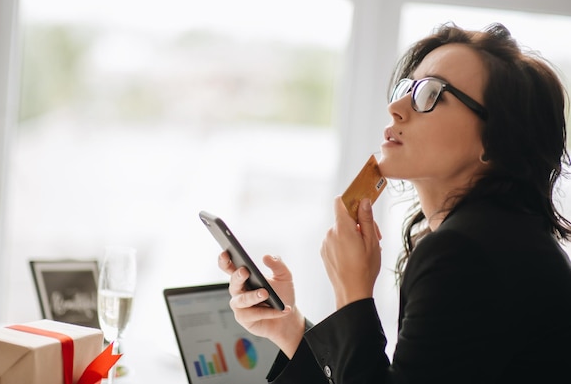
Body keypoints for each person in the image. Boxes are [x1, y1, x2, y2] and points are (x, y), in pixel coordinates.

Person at [217, 22, 571, 383]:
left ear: (495, 141)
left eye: (432, 93)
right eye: (407, 88)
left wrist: (353, 292)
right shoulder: (499, 238)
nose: (396, 107)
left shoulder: (463, 251)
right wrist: (289, 328)